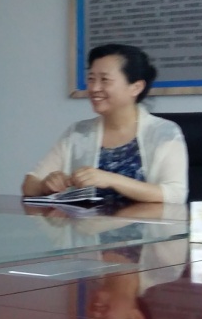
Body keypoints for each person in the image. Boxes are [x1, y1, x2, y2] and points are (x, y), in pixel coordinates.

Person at [22, 44, 187, 206]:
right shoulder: (79, 133)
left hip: (144, 225)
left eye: (105, 80)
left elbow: (175, 194)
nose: (94, 88)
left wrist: (111, 179)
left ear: (136, 87)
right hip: (84, 224)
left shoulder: (164, 133)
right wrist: (45, 185)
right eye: (91, 79)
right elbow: (29, 184)